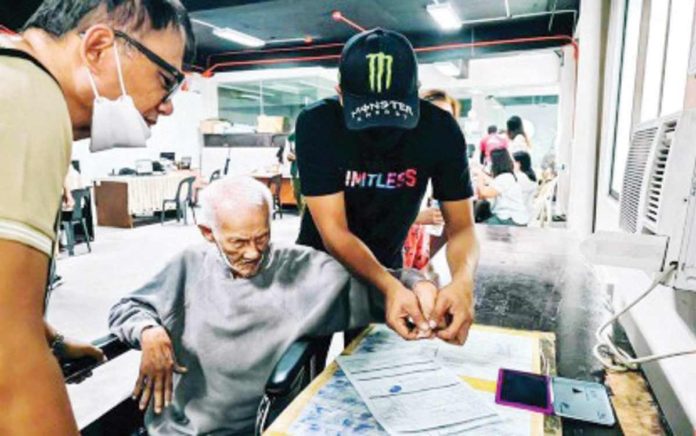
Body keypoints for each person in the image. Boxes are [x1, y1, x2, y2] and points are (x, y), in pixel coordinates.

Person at [109, 176, 438, 435]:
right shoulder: (189, 266)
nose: (253, 253)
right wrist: (148, 331)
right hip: (180, 429)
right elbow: (127, 308)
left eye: (261, 237)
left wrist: (416, 284)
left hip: (263, 427)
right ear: (208, 233)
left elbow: (384, 284)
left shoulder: (300, 268)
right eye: (238, 242)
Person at [0, 1, 194, 434]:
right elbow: (5, 352)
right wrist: (25, 341)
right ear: (99, 47)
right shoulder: (30, 99)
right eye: (168, 81)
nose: (168, 107)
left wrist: (45, 336)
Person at [295, 28, 479, 345]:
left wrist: (462, 281)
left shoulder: (440, 129)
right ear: (340, 93)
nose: (380, 131)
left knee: (372, 363)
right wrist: (390, 285)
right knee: (305, 364)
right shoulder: (318, 124)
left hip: (388, 263)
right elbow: (334, 231)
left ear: (416, 92)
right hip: (321, 265)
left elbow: (461, 227)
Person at [475, 149, 530, 226]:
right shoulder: (504, 177)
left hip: (510, 219)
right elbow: (481, 195)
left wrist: (480, 174)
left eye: (489, 162)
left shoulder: (505, 178)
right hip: (505, 217)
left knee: (478, 228)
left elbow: (484, 193)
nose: (488, 165)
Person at [512, 150, 538, 218]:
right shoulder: (529, 174)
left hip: (519, 213)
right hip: (526, 210)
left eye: (513, 162)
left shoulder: (521, 177)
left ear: (519, 163)